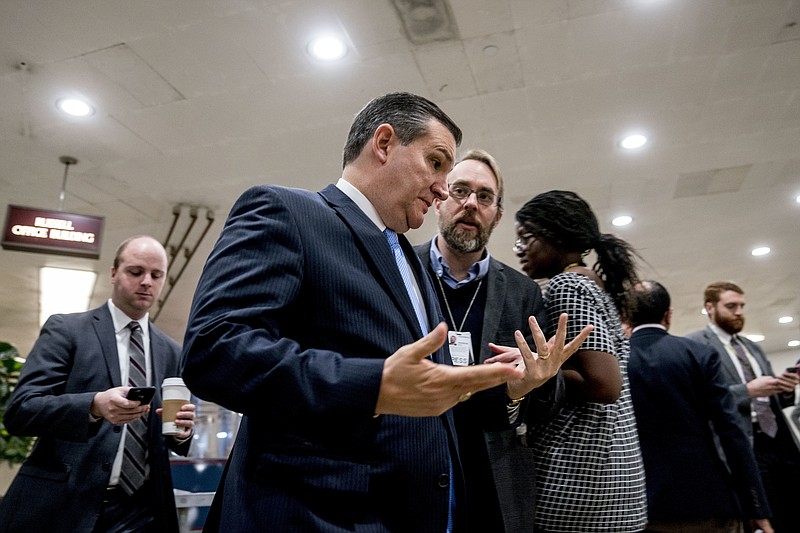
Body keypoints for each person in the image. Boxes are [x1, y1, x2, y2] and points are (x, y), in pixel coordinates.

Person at [180, 92, 589, 532]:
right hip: (317, 515)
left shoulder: (409, 262)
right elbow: (213, 348)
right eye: (436, 164)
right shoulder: (288, 212)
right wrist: (371, 386)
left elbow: (433, 390)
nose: (441, 189)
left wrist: (510, 388)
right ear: (384, 143)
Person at [0, 235, 197, 533]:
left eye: (156, 275)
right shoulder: (67, 330)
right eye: (135, 271)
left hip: (142, 511)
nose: (147, 282)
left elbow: (164, 438)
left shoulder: (171, 351)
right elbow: (21, 411)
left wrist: (181, 434)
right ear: (114, 272)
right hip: (65, 505)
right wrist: (93, 405)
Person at [414, 149, 561, 532]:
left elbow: (546, 395)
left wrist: (524, 389)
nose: (470, 204)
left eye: (484, 196)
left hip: (494, 478)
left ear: (496, 214)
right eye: (459, 190)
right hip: (412, 469)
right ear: (439, 200)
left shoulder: (523, 292)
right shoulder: (401, 271)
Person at [514, 190, 647, 533]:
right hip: (612, 479)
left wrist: (533, 370)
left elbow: (603, 384)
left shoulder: (568, 286)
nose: (518, 248)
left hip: (578, 478)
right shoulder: (592, 285)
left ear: (556, 237)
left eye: (525, 237)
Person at [626, 280, 773, 533]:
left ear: (625, 314)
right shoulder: (698, 353)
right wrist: (755, 506)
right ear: (668, 315)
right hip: (707, 496)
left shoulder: (613, 360)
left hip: (636, 500)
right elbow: (731, 432)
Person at [686, 281, 800, 533]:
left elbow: (774, 399)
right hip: (742, 445)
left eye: (741, 306)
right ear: (710, 307)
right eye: (731, 306)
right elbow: (698, 399)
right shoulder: (695, 346)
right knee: (764, 516)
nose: (739, 312)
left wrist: (786, 388)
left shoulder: (752, 347)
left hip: (778, 441)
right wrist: (747, 391)